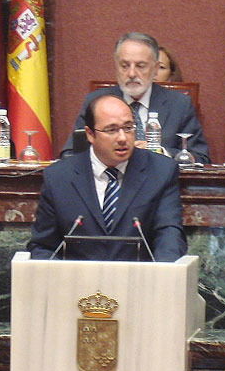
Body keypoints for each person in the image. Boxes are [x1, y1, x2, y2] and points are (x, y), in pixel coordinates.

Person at [28, 94, 187, 262]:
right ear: (90, 134)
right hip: (77, 284)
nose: (123, 138)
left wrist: (162, 275)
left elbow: (170, 235)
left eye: (128, 128)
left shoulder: (161, 171)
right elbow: (43, 246)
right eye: (111, 130)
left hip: (140, 283)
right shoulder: (59, 177)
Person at [60, 32, 210, 164]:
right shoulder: (95, 101)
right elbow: (69, 155)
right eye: (124, 65)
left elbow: (200, 157)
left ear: (155, 68)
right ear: (116, 66)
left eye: (140, 66)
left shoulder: (179, 105)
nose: (131, 73)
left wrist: (160, 152)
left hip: (158, 188)